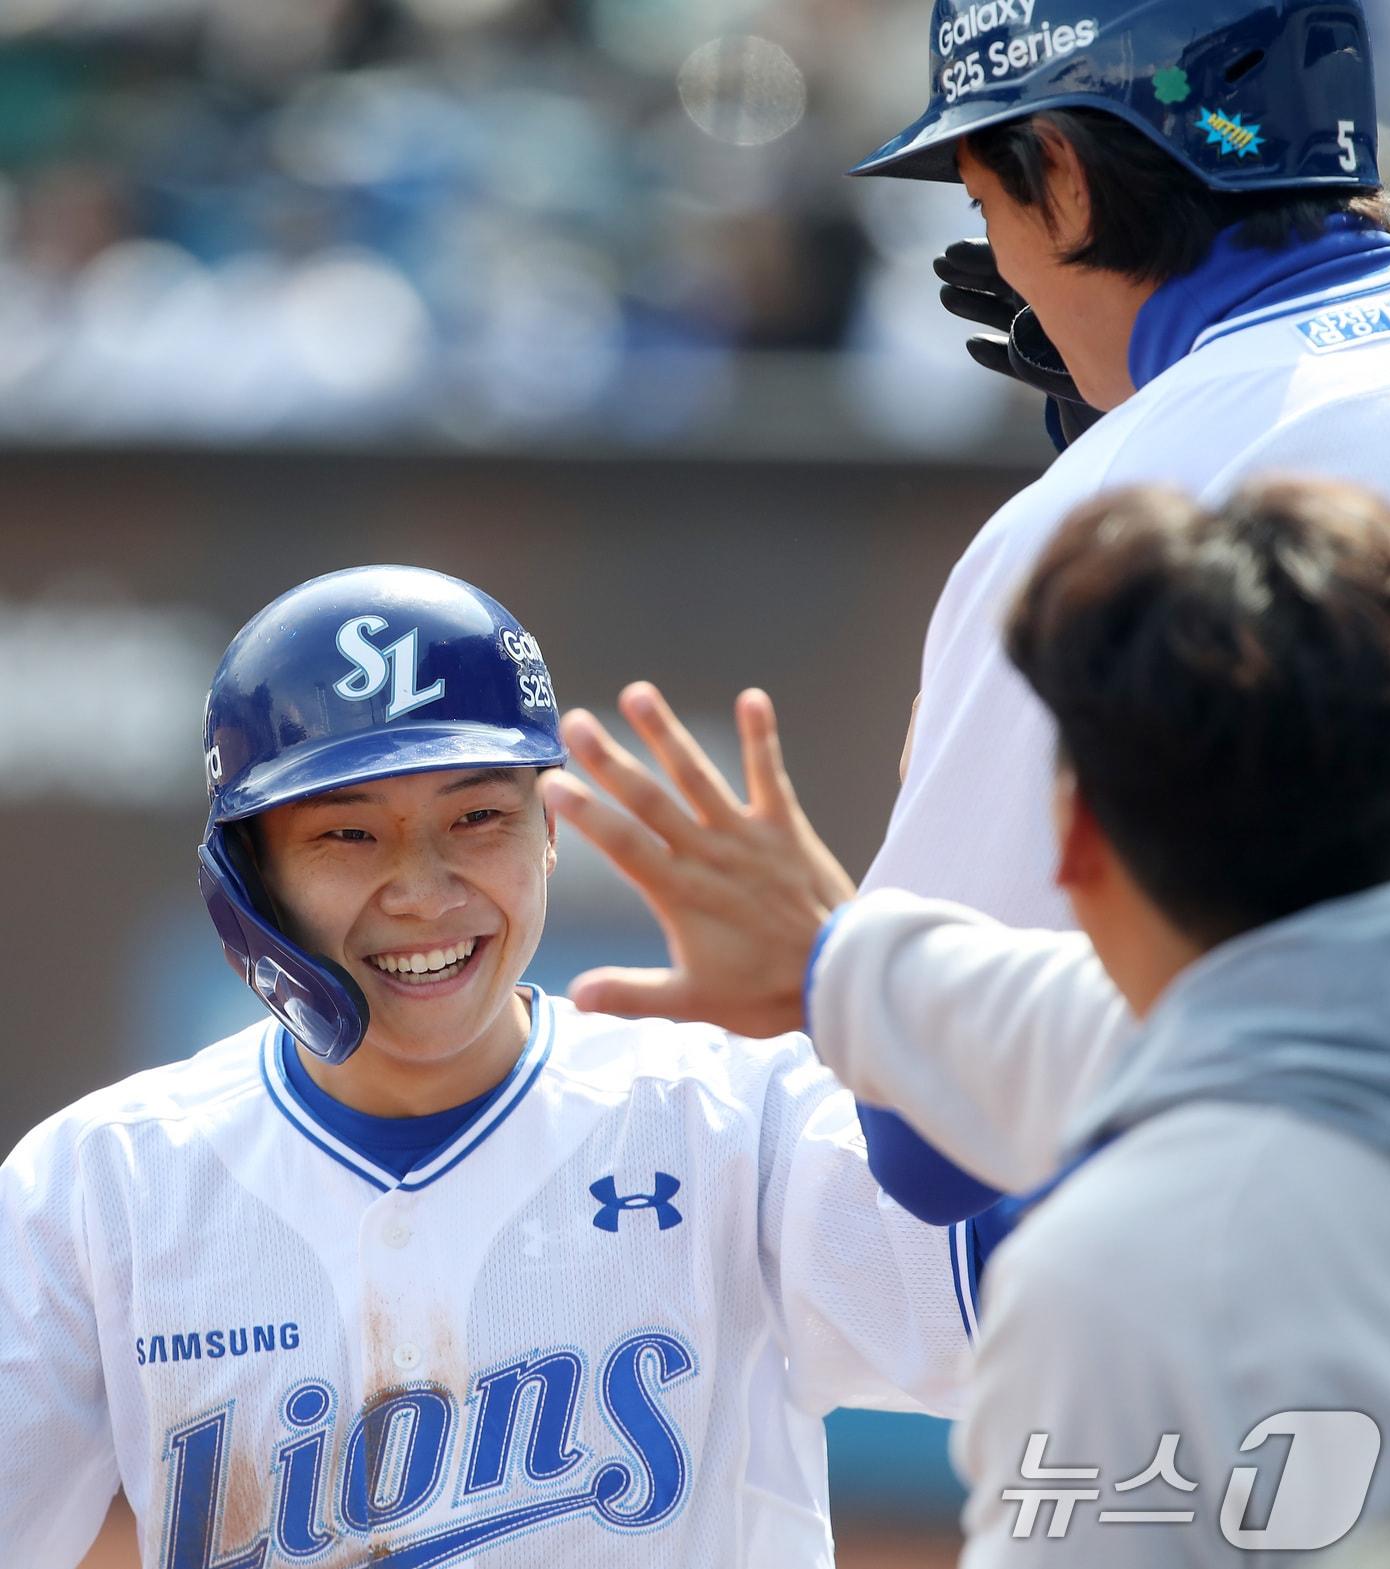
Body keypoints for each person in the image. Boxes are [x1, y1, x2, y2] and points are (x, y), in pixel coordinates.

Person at [0, 565, 974, 1569]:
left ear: (547, 832)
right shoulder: (100, 1187)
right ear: (251, 882)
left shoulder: (735, 1118)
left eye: (477, 819)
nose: (422, 891)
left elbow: (1042, 1293)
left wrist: (876, 996)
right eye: (349, 833)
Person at [542, 474, 1390, 1561]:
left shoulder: (1131, 1269)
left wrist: (835, 960)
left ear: (1073, 832)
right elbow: (1089, 1022)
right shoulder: (1230, 1051)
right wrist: (831, 959)